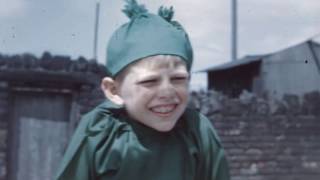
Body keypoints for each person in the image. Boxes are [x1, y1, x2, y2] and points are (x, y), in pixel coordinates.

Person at [55, 0, 230, 179]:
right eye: (150, 81)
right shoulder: (98, 132)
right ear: (114, 91)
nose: (167, 92)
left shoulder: (198, 130)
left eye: (178, 79)